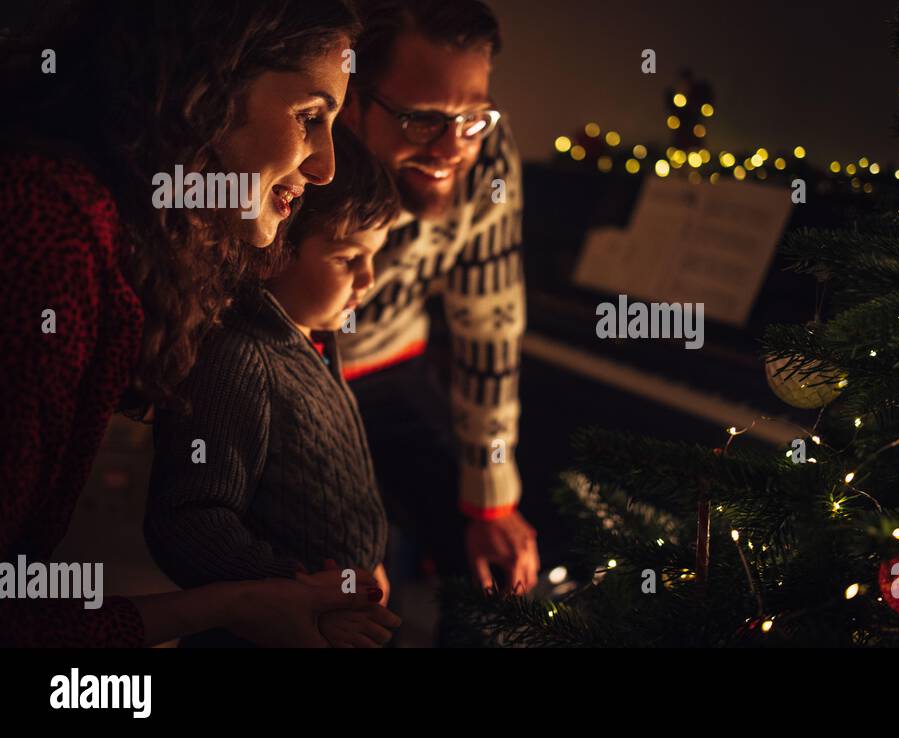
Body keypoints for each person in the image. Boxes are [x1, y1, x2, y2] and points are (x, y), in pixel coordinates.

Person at [0, 0, 391, 647]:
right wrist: (234, 604)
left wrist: (246, 602)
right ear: (206, 84)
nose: (324, 167)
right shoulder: (51, 238)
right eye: (309, 117)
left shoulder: (108, 242)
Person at [146, 127, 403, 648]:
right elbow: (190, 521)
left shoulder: (313, 336)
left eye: (374, 256)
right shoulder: (237, 358)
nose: (369, 278)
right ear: (278, 249)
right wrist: (299, 594)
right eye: (347, 257)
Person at [338, 0, 539, 603]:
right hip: (283, 377)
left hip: (394, 361)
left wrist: (491, 501)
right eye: (422, 120)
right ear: (352, 102)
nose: (454, 148)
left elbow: (490, 327)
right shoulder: (306, 153)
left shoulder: (488, 156)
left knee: (493, 567)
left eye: (473, 118)